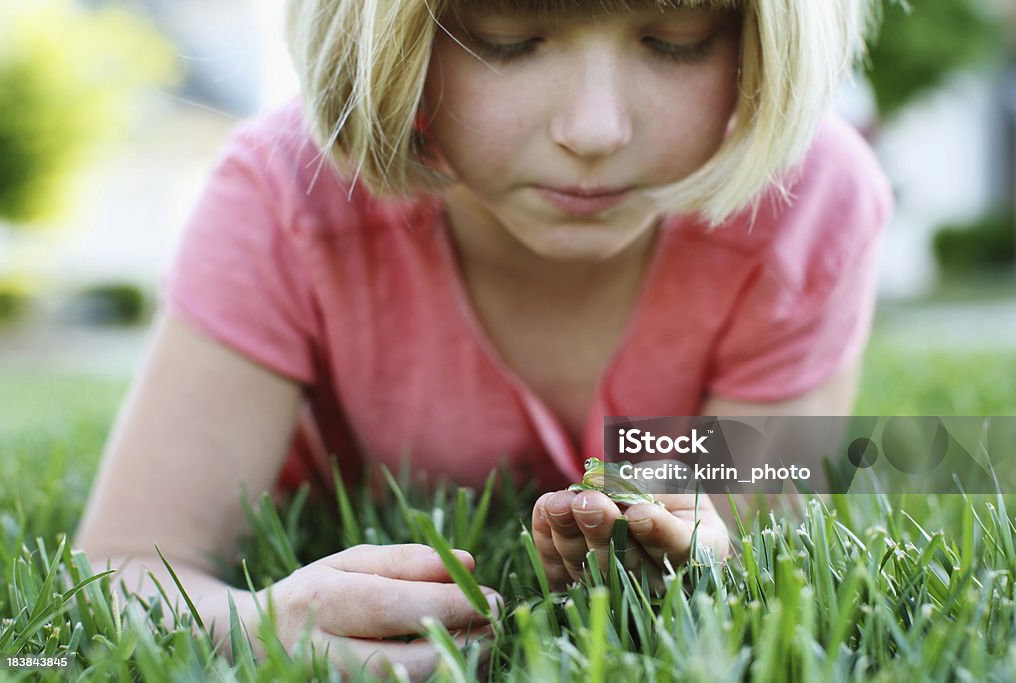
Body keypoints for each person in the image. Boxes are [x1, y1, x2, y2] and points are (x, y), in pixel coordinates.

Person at [75, 0, 891, 678]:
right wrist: (256, 625)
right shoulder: (283, 196)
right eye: (508, 38)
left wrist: (701, 545)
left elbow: (755, 535)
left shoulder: (808, 202)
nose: (594, 129)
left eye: (674, 40)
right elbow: (125, 570)